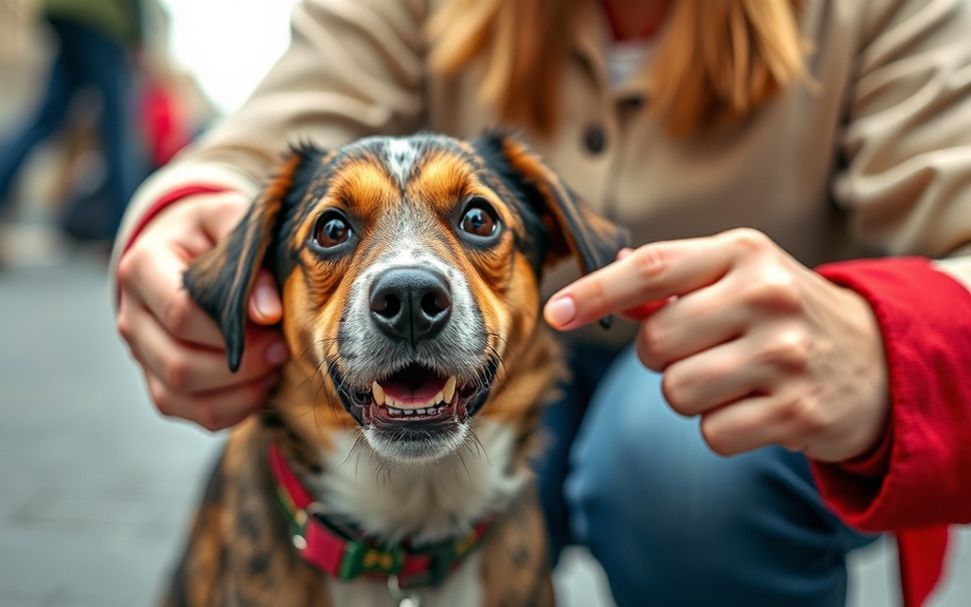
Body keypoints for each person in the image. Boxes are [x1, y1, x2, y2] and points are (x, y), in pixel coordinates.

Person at [111, 0, 971, 605]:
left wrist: (885, 338)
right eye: (336, 234)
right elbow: (279, 120)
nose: (409, 284)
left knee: (675, 467)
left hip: (703, 411)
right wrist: (181, 218)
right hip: (484, 411)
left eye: (476, 218)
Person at [0, 0, 143, 243]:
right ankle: (124, 232)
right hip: (101, 20)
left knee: (46, 118)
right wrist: (138, 36)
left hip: (63, 11)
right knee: (117, 128)